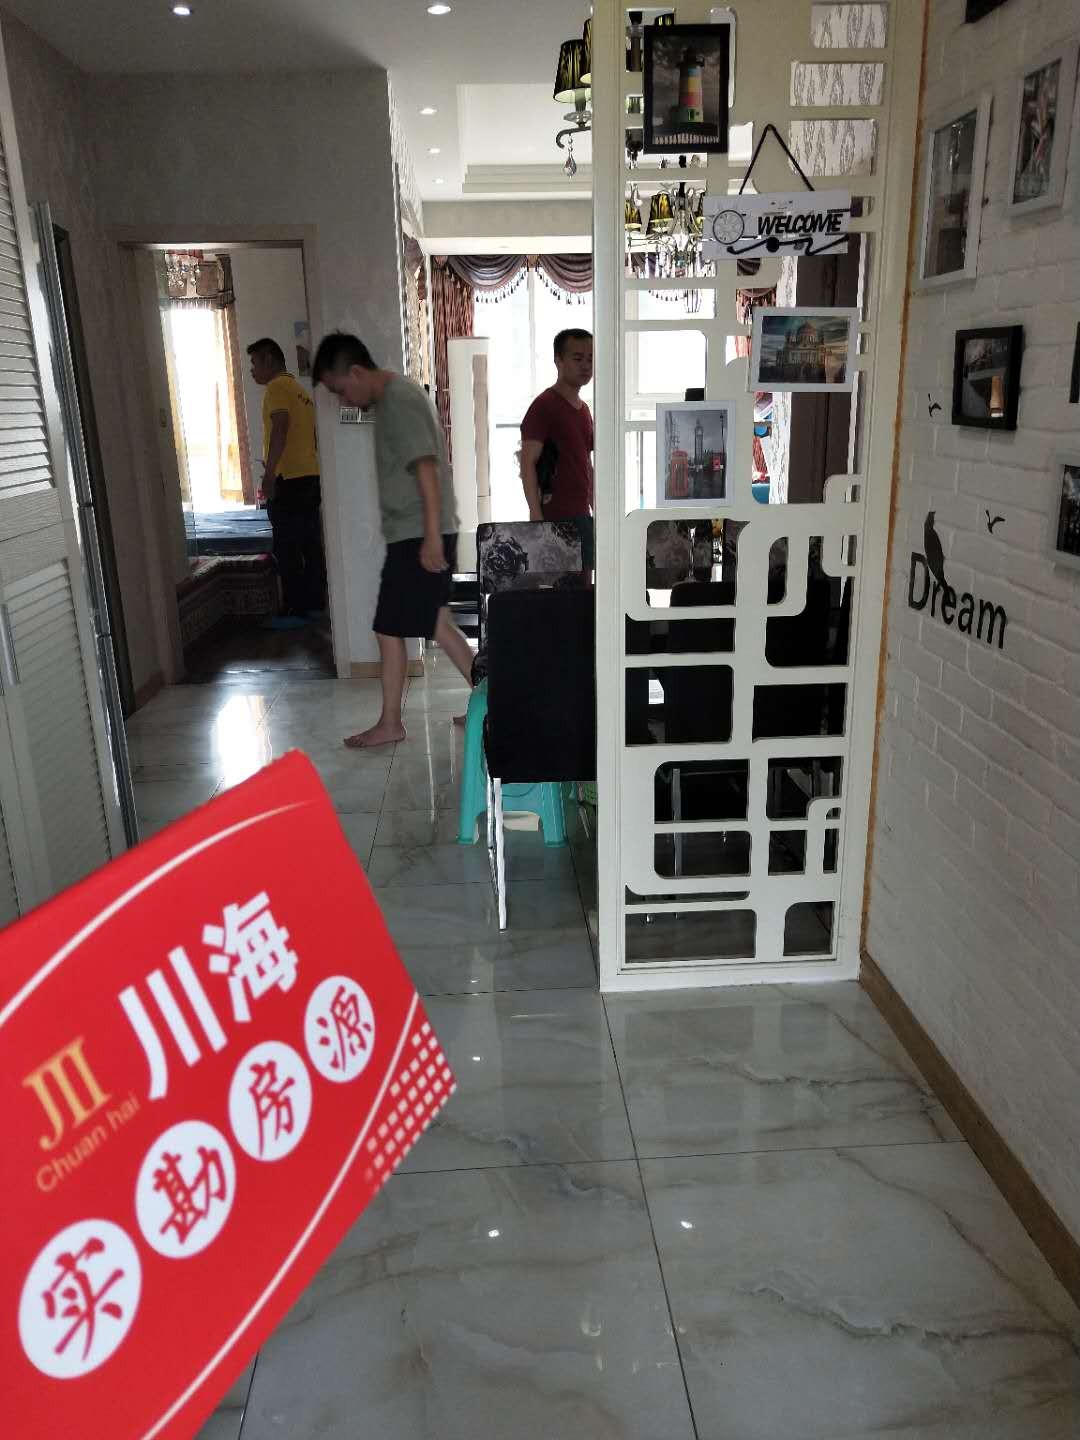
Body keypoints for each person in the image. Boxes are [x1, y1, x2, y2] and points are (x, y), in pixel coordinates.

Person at [311, 332, 474, 748]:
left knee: (388, 629)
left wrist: (431, 537)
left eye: (341, 390)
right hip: (419, 533)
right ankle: (495, 703)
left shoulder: (399, 400)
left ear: (356, 372)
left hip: (418, 535)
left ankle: (390, 724)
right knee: (437, 624)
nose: (344, 401)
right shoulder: (393, 400)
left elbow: (425, 469)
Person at [247, 337, 325, 629]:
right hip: (309, 476)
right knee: (309, 543)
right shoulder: (299, 390)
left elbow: (280, 429)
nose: (252, 370)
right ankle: (314, 605)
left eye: (254, 363)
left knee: (287, 545)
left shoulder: (277, 388)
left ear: (269, 360)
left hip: (289, 479)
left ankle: (294, 610)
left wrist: (269, 476)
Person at [519, 328, 594, 569]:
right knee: (560, 587)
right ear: (558, 360)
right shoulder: (544, 406)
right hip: (554, 517)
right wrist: (536, 518)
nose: (586, 366)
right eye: (578, 358)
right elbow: (527, 462)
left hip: (582, 516)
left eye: (590, 359)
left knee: (586, 586)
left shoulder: (584, 410)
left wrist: (596, 507)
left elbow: (586, 462)